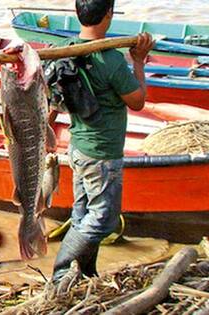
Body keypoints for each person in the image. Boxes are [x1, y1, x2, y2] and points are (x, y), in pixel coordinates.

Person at [51, 0, 154, 281]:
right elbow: (138, 101)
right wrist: (139, 62)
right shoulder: (111, 60)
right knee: (104, 219)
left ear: (77, 14)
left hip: (79, 149)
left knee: (83, 214)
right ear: (109, 13)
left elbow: (51, 99)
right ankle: (61, 272)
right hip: (102, 154)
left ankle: (84, 272)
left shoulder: (65, 51)